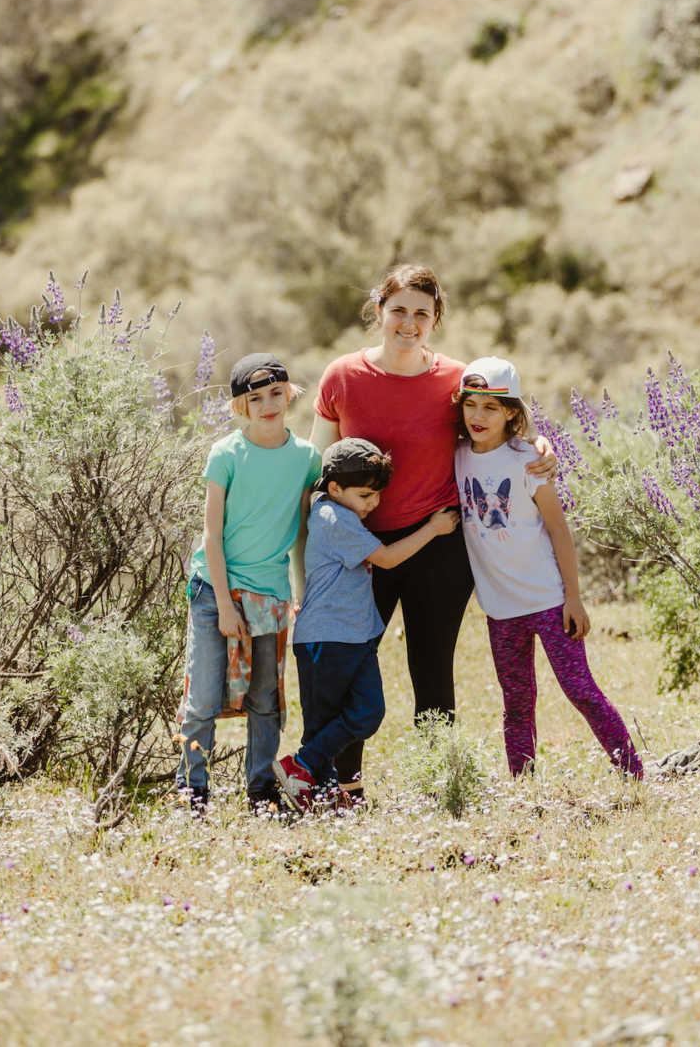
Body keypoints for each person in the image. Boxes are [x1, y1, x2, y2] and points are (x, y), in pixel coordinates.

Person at [311, 263, 555, 791]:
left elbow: (497, 425)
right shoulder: (343, 376)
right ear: (379, 311)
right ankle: (343, 786)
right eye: (398, 310)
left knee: (432, 668)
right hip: (361, 549)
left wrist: (539, 444)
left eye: (421, 313)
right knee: (352, 665)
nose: (408, 322)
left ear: (435, 319)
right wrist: (303, 563)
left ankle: (439, 784)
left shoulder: (454, 378)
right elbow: (317, 472)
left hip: (440, 541)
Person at [454, 356, 644, 779]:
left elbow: (559, 530)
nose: (478, 416)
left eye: (491, 407)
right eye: (471, 405)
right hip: (500, 609)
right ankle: (523, 783)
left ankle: (633, 773)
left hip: (548, 601)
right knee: (517, 701)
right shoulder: (458, 455)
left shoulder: (529, 461)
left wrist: (573, 598)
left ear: (511, 413)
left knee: (580, 690)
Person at [274, 437, 459, 812]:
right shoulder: (332, 518)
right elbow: (388, 559)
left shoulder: (339, 512)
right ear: (335, 487)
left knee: (368, 711)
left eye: (377, 494)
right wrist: (435, 528)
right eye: (365, 495)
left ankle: (305, 769)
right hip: (326, 638)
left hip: (353, 636)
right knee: (326, 720)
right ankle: (315, 785)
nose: (373, 503)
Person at [176, 353, 321, 812]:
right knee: (201, 698)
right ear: (240, 407)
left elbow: (301, 532)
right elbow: (211, 535)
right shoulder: (226, 454)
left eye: (275, 393)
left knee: (265, 701)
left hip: (272, 596)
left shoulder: (306, 459)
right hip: (213, 592)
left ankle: (260, 790)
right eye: (254, 398)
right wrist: (222, 604)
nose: (267, 405)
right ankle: (192, 790)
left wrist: (302, 594)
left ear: (289, 393)